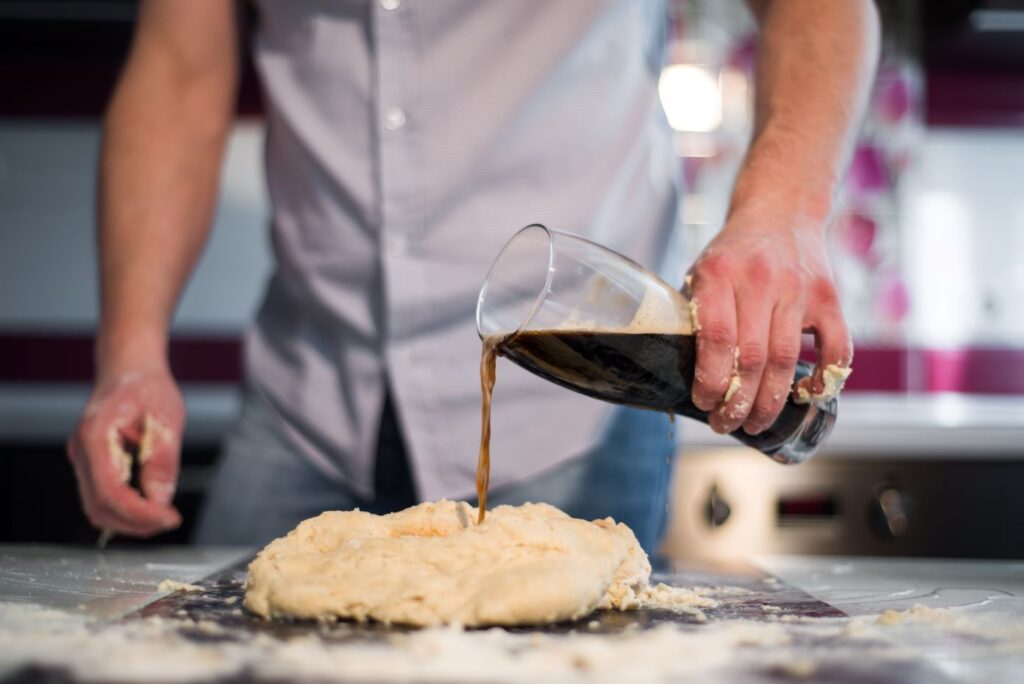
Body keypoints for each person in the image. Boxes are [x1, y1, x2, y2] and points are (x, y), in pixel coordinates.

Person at [67, 0, 878, 553]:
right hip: (307, 389)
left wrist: (781, 209)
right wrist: (132, 353)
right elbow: (178, 67)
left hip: (578, 397)